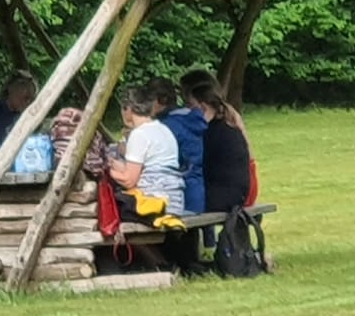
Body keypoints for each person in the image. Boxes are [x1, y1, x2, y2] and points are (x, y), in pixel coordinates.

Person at [107, 85, 188, 219]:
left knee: (109, 207)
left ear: (128, 109)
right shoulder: (164, 130)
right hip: (175, 202)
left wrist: (107, 170)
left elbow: (129, 181)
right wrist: (120, 167)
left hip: (155, 204)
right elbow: (151, 169)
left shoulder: (139, 134)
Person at [189, 80, 254, 214]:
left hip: (222, 198)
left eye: (191, 106)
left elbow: (197, 166)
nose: (189, 111)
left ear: (202, 107)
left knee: (177, 203)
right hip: (239, 195)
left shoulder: (209, 133)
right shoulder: (229, 126)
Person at [146, 77, 205, 216]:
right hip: (197, 193)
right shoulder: (191, 118)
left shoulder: (167, 127)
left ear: (163, 99)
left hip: (178, 197)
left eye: (149, 100)